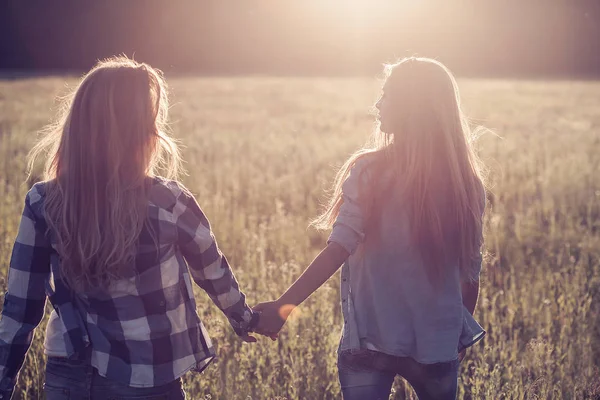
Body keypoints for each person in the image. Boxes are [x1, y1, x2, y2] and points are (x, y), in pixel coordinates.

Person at [0, 56, 266, 400]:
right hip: (148, 374)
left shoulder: (44, 202)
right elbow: (213, 272)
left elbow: (19, 308)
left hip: (70, 372)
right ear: (144, 134)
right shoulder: (169, 201)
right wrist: (246, 318)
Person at [255, 57, 487, 400]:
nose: (377, 104)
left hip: (368, 340)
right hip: (436, 341)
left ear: (413, 106)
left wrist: (283, 307)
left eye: (387, 94)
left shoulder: (369, 172)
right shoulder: (465, 183)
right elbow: (470, 273)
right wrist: (455, 330)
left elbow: (338, 248)